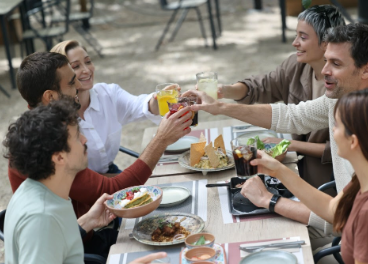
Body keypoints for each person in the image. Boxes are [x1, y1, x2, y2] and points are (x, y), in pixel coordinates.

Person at [184, 23, 368, 251]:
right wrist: (221, 107)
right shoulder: (342, 102)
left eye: (336, 64)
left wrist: (270, 201)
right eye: (326, 61)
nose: (323, 71)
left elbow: (342, 223)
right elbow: (291, 116)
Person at [10, 51, 193, 257]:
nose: (79, 85)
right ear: (50, 96)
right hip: (81, 250)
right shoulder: (47, 147)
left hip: (80, 235)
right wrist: (160, 140)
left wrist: (87, 222)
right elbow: (112, 190)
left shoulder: (42, 135)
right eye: (72, 82)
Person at [3, 100, 168, 264]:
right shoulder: (41, 219)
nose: (84, 140)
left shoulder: (42, 190)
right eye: (76, 137)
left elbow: (57, 243)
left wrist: (87, 221)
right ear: (59, 157)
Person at [218, 5, 345, 190]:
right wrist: (224, 91)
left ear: (326, 43)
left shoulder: (346, 86)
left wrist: (291, 144)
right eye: (296, 35)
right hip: (294, 171)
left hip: (328, 183)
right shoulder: (296, 65)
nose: (295, 42)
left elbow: (338, 149)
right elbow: (261, 86)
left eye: (303, 37)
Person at [245, 89, 368, 264]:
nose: (332, 130)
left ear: (353, 141)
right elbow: (331, 208)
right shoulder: (360, 179)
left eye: (337, 125)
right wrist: (277, 169)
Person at [50, 40, 165, 174]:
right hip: (79, 184)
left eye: (88, 62)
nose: (86, 70)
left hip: (110, 171)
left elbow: (142, 105)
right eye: (75, 66)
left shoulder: (108, 94)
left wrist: (162, 98)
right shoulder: (55, 116)